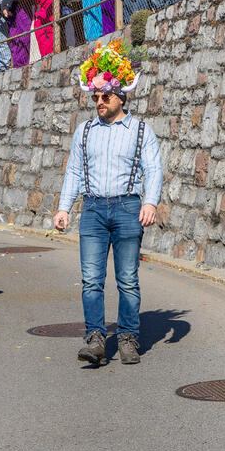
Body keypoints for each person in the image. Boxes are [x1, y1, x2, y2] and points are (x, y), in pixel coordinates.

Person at [54, 41, 162, 366]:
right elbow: (74, 170)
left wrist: (151, 202)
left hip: (129, 207)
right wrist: (63, 207)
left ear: (120, 96)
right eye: (95, 97)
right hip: (93, 211)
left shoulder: (141, 131)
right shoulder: (85, 132)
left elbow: (153, 168)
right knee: (91, 279)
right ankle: (96, 339)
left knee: (127, 278)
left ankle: (128, 337)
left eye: (105, 96)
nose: (99, 102)